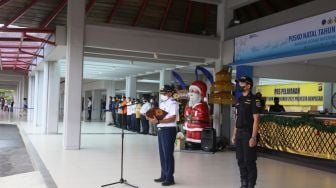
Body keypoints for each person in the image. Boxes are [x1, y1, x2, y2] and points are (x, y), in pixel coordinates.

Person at [232, 76, 260, 188]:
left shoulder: (254, 100)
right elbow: (237, 118)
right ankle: (243, 183)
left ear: (249, 86)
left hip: (248, 133)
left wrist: (253, 137)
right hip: (239, 133)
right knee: (240, 160)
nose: (240, 85)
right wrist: (234, 134)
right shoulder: (239, 100)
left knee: (249, 161)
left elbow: (256, 119)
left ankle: (251, 184)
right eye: (239, 83)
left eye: (242, 83)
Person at [148, 85, 178, 186]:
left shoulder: (173, 103)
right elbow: (158, 117)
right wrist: (151, 117)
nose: (163, 95)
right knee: (162, 154)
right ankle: (164, 175)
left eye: (165, 93)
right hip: (161, 129)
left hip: (169, 130)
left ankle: (170, 178)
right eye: (162, 93)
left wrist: (159, 120)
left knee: (168, 154)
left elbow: (173, 118)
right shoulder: (162, 103)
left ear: (170, 93)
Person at [184, 80, 210, 149]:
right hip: (190, 124)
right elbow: (186, 115)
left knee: (197, 136)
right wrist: (189, 110)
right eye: (190, 90)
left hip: (198, 126)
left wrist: (192, 114)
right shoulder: (190, 105)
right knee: (189, 135)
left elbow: (200, 116)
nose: (191, 93)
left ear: (200, 94)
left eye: (194, 91)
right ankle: (189, 142)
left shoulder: (202, 106)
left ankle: (196, 144)